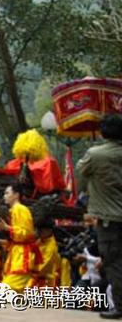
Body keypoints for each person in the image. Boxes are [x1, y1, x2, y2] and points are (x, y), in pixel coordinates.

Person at [77, 114, 122, 319]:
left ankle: (120, 307)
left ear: (103, 132)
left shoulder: (95, 154)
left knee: (114, 264)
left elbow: (81, 172)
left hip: (110, 220)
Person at [0, 184, 41, 294]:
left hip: (22, 256)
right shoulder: (14, 210)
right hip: (16, 254)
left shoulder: (21, 209)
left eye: (7, 193)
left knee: (3, 291)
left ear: (16, 195)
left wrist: (7, 228)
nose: (4, 196)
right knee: (16, 295)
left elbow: (26, 233)